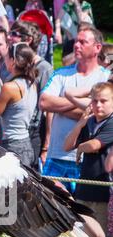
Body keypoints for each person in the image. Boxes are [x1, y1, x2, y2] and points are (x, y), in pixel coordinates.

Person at [40, 26, 110, 194]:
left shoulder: (105, 77)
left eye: (83, 42)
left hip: (85, 159)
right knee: (51, 210)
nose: (76, 45)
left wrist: (59, 108)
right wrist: (83, 105)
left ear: (97, 48)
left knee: (83, 211)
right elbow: (44, 102)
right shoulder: (61, 74)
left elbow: (99, 113)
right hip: (56, 156)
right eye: (76, 41)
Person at [64, 82, 113, 234]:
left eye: (103, 101)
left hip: (104, 192)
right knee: (84, 235)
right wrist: (80, 123)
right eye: (94, 100)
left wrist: (80, 149)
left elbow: (94, 145)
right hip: (84, 190)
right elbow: (67, 146)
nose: (98, 105)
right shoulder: (89, 121)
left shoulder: (111, 122)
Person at [9, 20, 53, 170]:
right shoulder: (13, 64)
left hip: (34, 133)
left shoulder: (44, 68)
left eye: (14, 34)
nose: (9, 37)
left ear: (28, 39)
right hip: (16, 132)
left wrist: (46, 146)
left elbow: (49, 110)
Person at [0, 43, 37, 167]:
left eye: (7, 57)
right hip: (26, 143)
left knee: (12, 186)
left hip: (13, 145)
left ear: (13, 61)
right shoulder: (31, 83)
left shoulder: (10, 87)